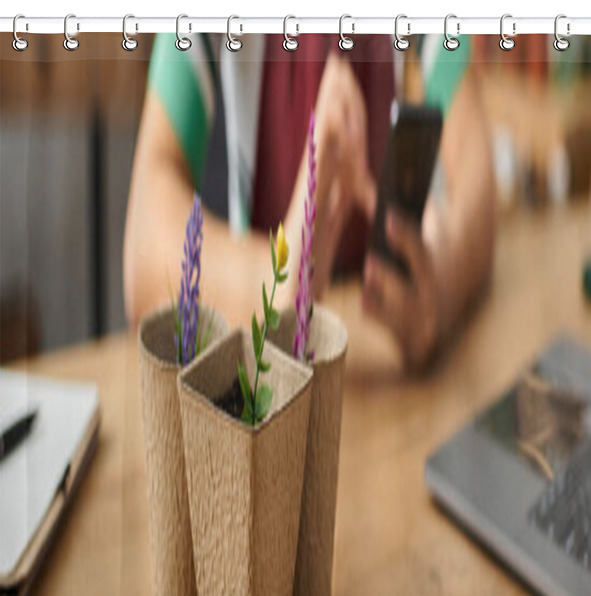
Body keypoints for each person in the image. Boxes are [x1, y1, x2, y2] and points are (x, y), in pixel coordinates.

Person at [124, 33, 495, 369]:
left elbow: (477, 179)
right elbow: (145, 250)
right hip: (260, 375)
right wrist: (274, 282)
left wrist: (437, 282)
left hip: (380, 365)